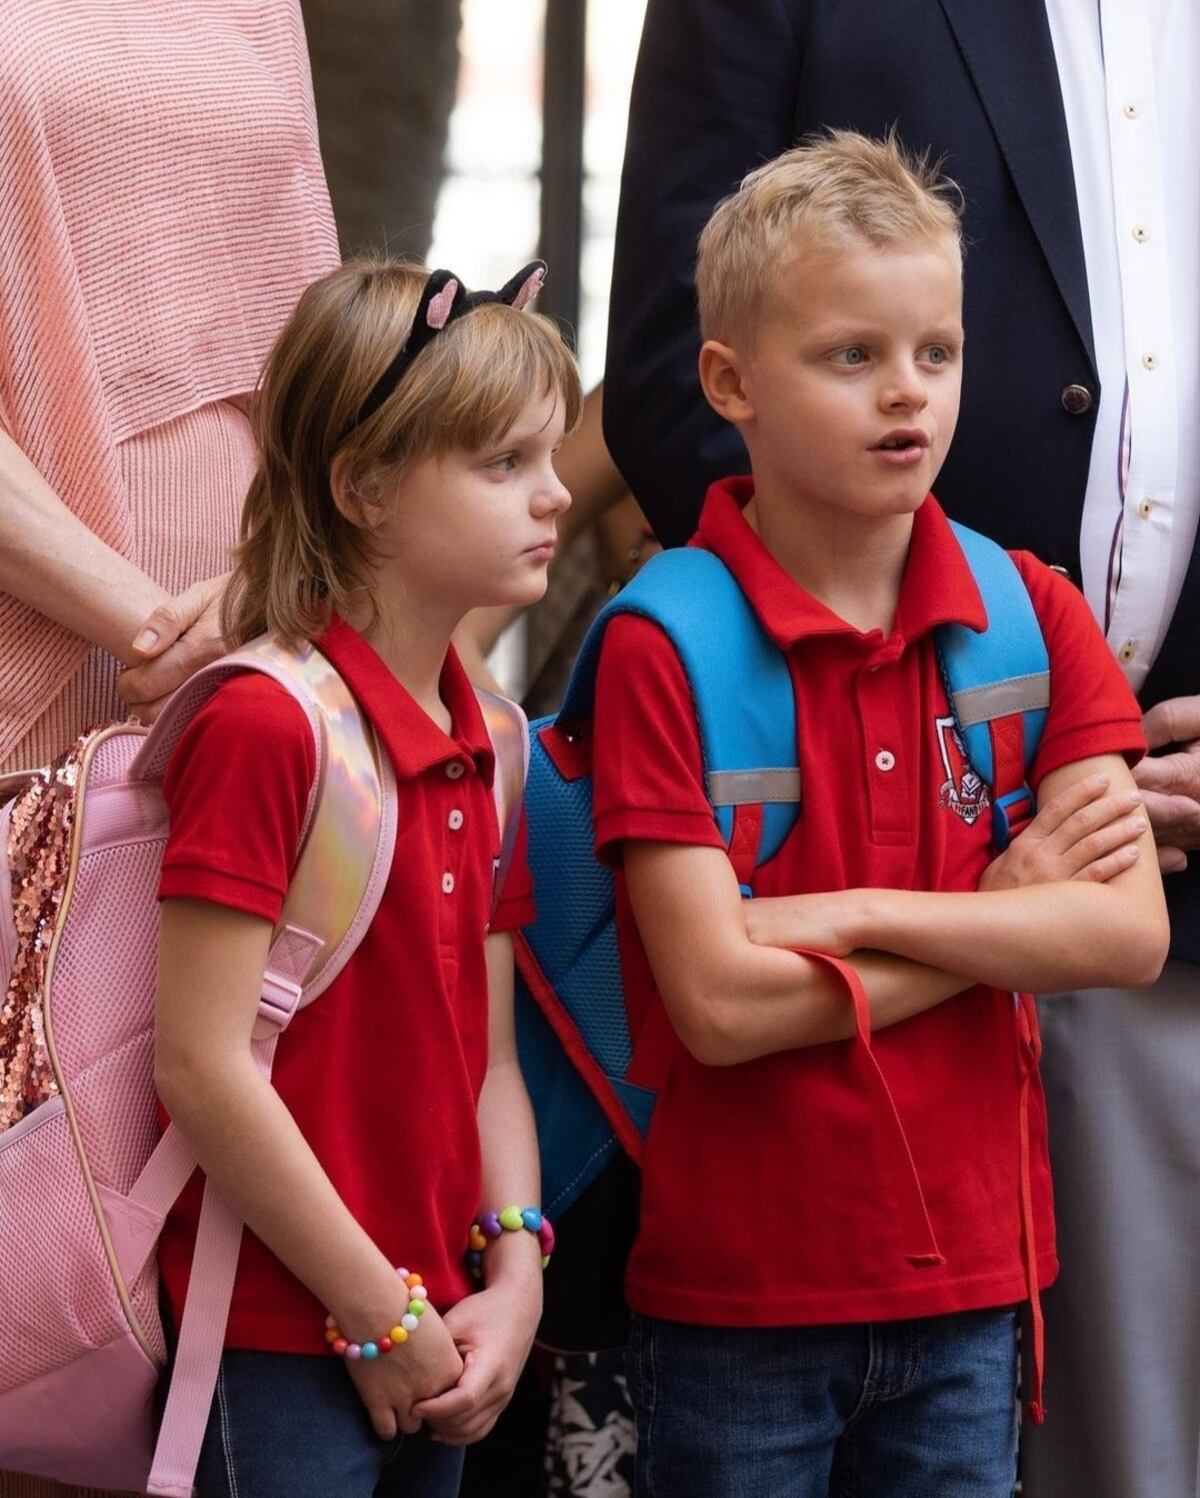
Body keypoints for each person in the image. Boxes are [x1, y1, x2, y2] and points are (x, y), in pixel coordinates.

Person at [603, 9, 1200, 1494]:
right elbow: (724, 1003)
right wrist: (1008, 913)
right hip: (746, 1299)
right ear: (736, 381)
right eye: (854, 353)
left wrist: (864, 914)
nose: (908, 392)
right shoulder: (662, 642)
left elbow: (1123, 931)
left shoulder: (1025, 612)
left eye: (935, 351)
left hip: (970, 1290)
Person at [152, 257, 581, 1497]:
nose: (556, 494)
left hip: (443, 1323)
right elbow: (202, 1062)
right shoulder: (267, 723)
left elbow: (491, 1057)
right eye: (504, 463)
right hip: (281, 1335)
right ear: (364, 485)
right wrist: (374, 1314)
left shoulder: (492, 738)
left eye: (548, 456)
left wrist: (515, 1273)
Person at [0, 2, 338, 772]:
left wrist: (275, 593)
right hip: (67, 634)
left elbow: (309, 328)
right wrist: (168, 635)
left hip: (258, 641)